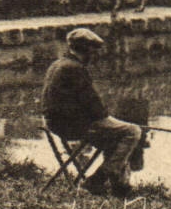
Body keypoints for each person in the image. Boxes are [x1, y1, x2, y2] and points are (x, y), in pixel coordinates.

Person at [42, 28, 144, 197]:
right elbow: (94, 106)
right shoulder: (75, 68)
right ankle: (98, 180)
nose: (95, 56)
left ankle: (119, 187)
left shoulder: (59, 64)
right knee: (133, 131)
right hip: (71, 126)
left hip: (55, 122)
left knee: (116, 139)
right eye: (94, 51)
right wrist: (108, 117)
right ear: (87, 50)